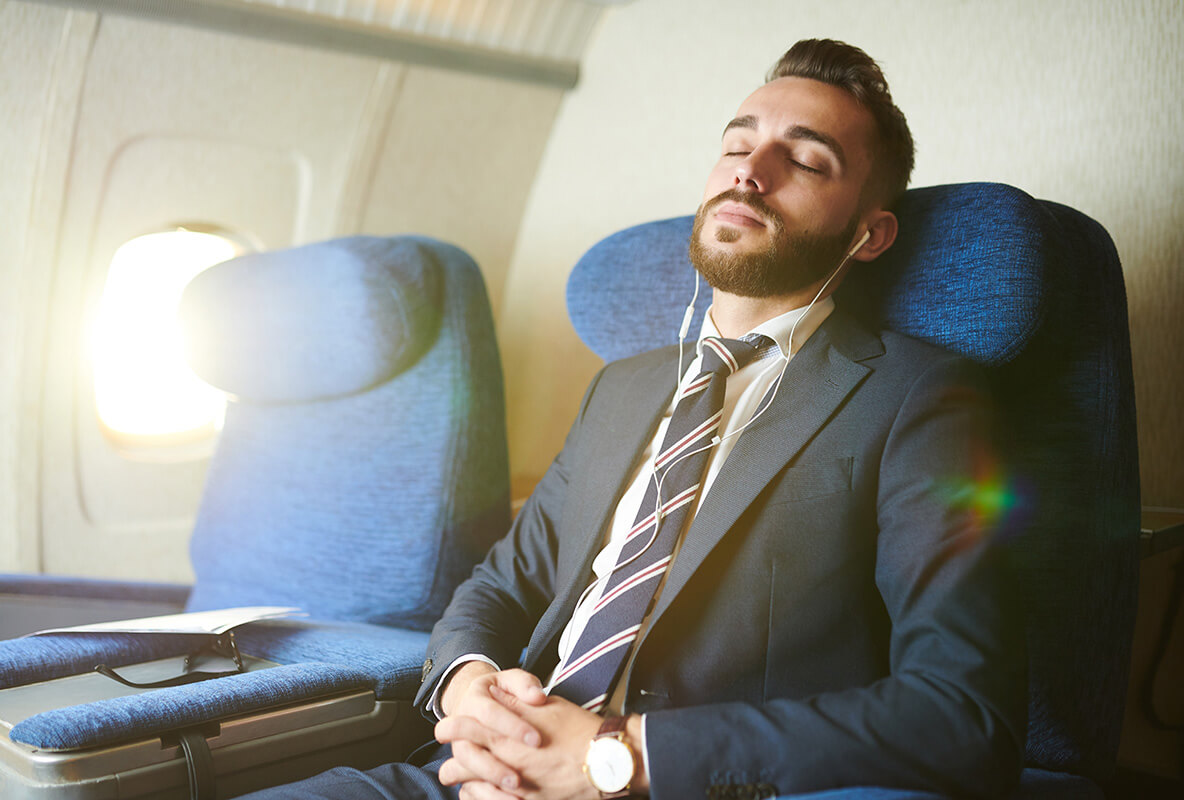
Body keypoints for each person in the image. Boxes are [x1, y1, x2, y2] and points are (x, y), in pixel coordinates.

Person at [245, 38, 1025, 800]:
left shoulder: (919, 397)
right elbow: (501, 585)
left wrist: (614, 758)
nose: (750, 173)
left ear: (869, 234)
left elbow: (963, 715)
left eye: (807, 160)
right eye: (736, 146)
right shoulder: (620, 389)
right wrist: (469, 685)